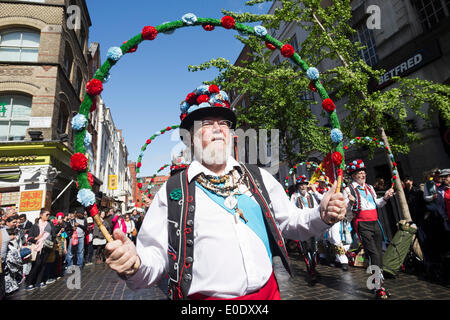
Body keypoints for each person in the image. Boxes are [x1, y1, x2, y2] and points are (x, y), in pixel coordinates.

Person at [104, 84, 347, 300]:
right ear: (189, 138)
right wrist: (134, 264)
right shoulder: (172, 192)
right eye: (207, 124)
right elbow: (156, 258)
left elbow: (291, 224)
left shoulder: (259, 177)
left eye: (223, 124)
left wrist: (322, 215)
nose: (218, 129)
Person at [344, 159, 394, 299]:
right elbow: (345, 211)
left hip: (375, 222)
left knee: (378, 252)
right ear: (353, 175)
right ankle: (378, 286)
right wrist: (350, 202)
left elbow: (377, 204)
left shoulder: (370, 188)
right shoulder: (348, 190)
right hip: (361, 223)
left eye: (364, 172)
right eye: (360, 173)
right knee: (373, 253)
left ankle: (377, 285)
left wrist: (385, 197)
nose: (363, 175)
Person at [290, 175, 321, 284]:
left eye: (304, 184)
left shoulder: (312, 196)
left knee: (314, 248)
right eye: (301, 185)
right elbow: (292, 209)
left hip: (312, 224)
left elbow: (317, 208)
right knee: (305, 248)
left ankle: (313, 268)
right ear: (298, 186)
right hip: (302, 224)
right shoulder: (294, 196)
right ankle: (311, 270)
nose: (303, 186)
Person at [24, 208, 56, 290]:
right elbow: (29, 238)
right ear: (41, 215)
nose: (48, 216)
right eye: (46, 214)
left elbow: (54, 235)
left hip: (47, 246)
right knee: (37, 264)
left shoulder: (50, 224)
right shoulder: (35, 225)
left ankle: (39, 282)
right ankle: (29, 282)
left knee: (43, 265)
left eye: (49, 214)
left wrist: (50, 242)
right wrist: (37, 238)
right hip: (37, 248)